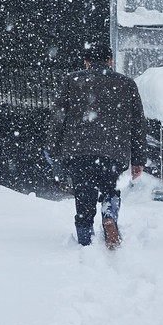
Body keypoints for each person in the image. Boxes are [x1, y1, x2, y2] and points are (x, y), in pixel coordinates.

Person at [47, 42, 147, 249]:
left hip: (78, 149)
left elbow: (58, 118)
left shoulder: (71, 81)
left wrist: (54, 148)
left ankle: (85, 237)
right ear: (110, 61)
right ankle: (109, 215)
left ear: (86, 62)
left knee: (84, 191)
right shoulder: (126, 84)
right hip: (114, 150)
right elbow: (138, 124)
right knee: (110, 187)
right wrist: (138, 159)